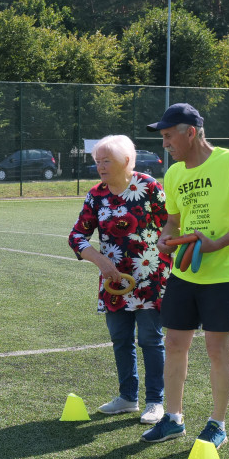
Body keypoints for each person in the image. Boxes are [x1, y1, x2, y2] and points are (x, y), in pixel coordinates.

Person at [140, 103, 229, 450]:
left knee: (216, 349)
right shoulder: (175, 174)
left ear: (190, 132)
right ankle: (173, 419)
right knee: (175, 344)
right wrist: (166, 239)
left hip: (223, 274)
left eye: (168, 136)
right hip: (184, 271)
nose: (164, 144)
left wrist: (218, 244)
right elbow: (174, 221)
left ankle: (217, 424)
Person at [68, 135, 170, 425]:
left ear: (126, 161)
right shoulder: (96, 195)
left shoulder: (149, 187)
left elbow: (172, 224)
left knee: (151, 340)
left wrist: (167, 250)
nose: (100, 166)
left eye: (106, 161)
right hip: (114, 284)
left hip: (150, 279)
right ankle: (127, 397)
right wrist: (101, 262)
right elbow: (77, 236)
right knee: (120, 339)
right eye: (97, 161)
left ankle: (155, 401)